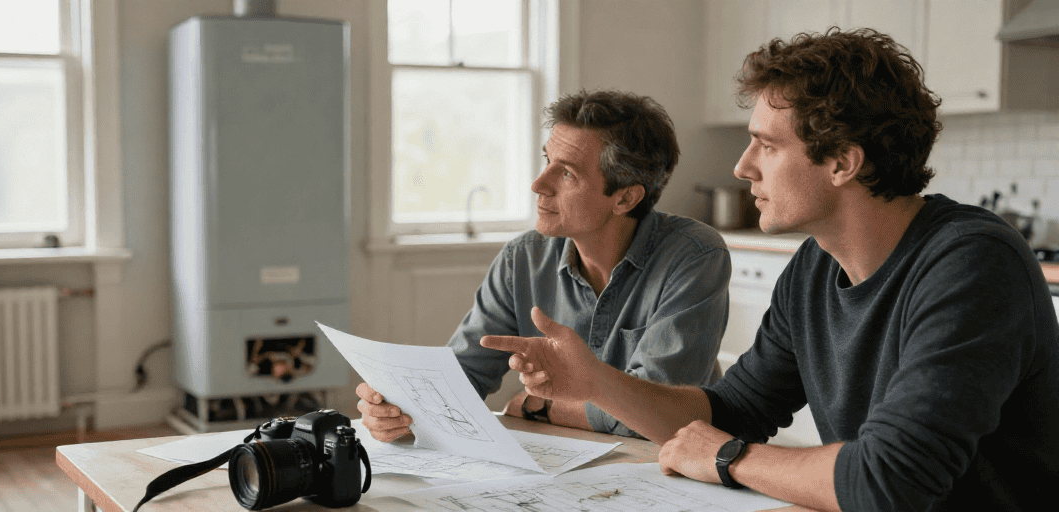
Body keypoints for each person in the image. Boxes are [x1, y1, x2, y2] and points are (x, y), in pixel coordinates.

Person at [482, 27, 1059, 511]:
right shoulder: (814, 266)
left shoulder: (971, 263)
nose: (742, 166)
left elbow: (892, 479)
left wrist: (728, 458)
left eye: (766, 145)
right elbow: (733, 410)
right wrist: (599, 384)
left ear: (842, 162)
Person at [357, 90, 732, 441]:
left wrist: (540, 406)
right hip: (567, 465)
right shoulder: (523, 258)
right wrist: (401, 411)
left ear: (625, 198)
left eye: (567, 173)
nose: (538, 184)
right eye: (547, 161)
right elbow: (462, 377)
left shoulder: (694, 256)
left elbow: (663, 419)